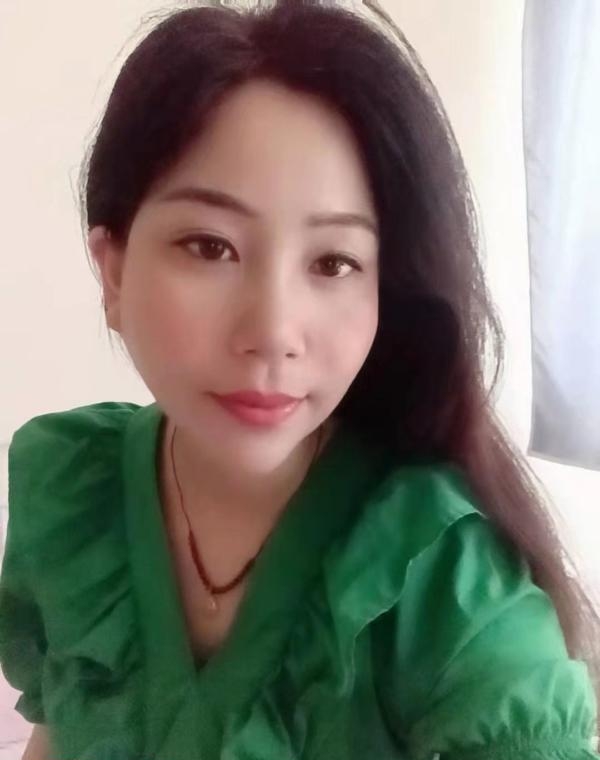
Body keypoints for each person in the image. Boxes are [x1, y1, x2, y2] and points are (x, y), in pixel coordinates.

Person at [1, 1, 599, 758]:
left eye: (334, 262)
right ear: (113, 272)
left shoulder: (440, 573)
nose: (274, 332)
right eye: (210, 246)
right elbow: (62, 729)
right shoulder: (74, 494)